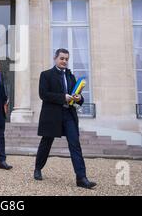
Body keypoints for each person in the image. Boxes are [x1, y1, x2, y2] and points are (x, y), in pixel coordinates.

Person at [34, 48, 97, 189]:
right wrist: (62, 97)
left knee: (75, 144)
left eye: (66, 59)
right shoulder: (46, 75)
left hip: (69, 115)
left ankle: (81, 178)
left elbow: (77, 96)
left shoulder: (71, 76)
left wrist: (79, 98)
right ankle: (38, 168)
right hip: (52, 115)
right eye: (62, 58)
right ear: (55, 58)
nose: (64, 61)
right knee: (46, 143)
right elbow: (43, 94)